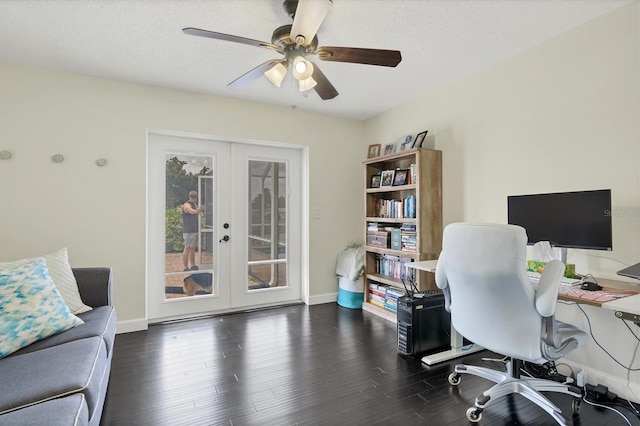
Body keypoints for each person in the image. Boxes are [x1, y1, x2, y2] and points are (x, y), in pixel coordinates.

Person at [182, 191, 202, 272]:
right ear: (190, 197)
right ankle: (186, 267)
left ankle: (193, 265)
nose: (194, 200)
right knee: (187, 248)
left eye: (195, 198)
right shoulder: (187, 204)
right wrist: (196, 211)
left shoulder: (195, 204)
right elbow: (189, 210)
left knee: (192, 248)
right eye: (193, 198)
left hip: (194, 230)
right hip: (189, 231)